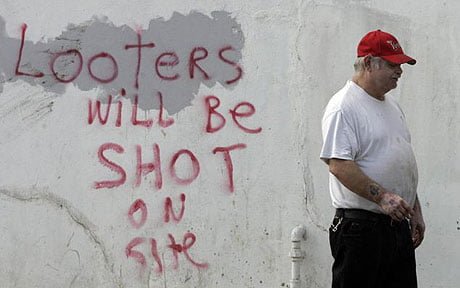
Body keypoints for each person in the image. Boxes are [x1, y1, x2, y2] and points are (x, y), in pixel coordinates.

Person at [320, 29, 425, 288]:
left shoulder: (391, 106)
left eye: (400, 65)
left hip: (396, 225)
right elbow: (339, 165)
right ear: (368, 63)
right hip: (361, 229)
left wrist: (415, 211)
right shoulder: (344, 106)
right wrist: (384, 198)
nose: (399, 71)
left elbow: (401, 163)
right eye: (392, 64)